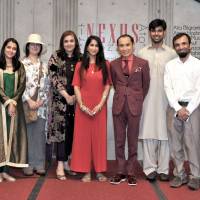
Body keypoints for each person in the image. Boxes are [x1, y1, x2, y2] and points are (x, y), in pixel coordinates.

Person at [138, 19, 177, 182]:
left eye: (159, 30)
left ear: (164, 32)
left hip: (167, 100)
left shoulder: (172, 53)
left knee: (165, 134)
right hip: (146, 99)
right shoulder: (142, 53)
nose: (156, 34)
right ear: (149, 33)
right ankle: (149, 168)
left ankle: (163, 169)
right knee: (148, 133)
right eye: (153, 31)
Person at [110, 34, 150, 186]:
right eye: (121, 45)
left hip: (135, 106)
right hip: (118, 106)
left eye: (127, 45)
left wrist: (136, 98)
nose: (125, 48)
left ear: (133, 45)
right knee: (119, 140)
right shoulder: (113, 64)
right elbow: (115, 83)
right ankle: (120, 171)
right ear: (118, 47)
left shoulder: (143, 64)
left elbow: (145, 85)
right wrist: (123, 95)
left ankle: (131, 172)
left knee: (133, 141)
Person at [70, 35, 111, 182]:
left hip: (99, 107)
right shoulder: (80, 65)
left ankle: (99, 171)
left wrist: (100, 104)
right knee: (83, 139)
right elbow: (76, 86)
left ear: (99, 48)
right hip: (83, 107)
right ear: (87, 47)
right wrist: (81, 105)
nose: (94, 48)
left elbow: (107, 86)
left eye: (96, 45)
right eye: (91, 45)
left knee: (99, 139)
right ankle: (85, 170)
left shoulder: (106, 64)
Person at [164, 32, 200, 190]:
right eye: (178, 45)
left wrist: (189, 109)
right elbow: (168, 88)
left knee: (192, 144)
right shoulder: (170, 65)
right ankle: (180, 174)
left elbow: (199, 91)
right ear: (175, 47)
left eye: (184, 43)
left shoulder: (198, 64)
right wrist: (178, 109)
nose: (181, 47)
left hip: (193, 108)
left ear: (190, 45)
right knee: (175, 144)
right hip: (174, 108)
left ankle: (196, 176)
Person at [47, 30, 82, 180]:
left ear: (75, 43)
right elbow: (53, 77)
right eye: (66, 41)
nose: (69, 44)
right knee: (60, 132)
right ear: (62, 43)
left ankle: (67, 162)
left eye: (71, 41)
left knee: (72, 131)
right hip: (60, 101)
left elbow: (85, 79)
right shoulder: (56, 56)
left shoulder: (81, 58)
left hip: (77, 101)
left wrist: (76, 96)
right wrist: (66, 95)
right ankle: (60, 164)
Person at [0, 38, 28, 182]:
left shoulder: (20, 67)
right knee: (0, 139)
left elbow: (22, 86)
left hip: (15, 108)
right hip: (1, 107)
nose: (11, 50)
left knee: (11, 138)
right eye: (8, 47)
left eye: (14, 48)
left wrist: (13, 103)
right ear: (4, 48)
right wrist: (7, 102)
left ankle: (5, 171)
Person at [22, 33, 49, 176]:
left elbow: (47, 86)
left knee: (39, 135)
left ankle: (39, 164)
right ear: (28, 47)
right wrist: (28, 100)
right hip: (26, 105)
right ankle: (28, 164)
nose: (34, 46)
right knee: (27, 135)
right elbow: (19, 86)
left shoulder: (44, 66)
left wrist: (41, 101)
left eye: (37, 45)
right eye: (32, 44)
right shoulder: (21, 64)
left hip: (42, 107)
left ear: (40, 47)